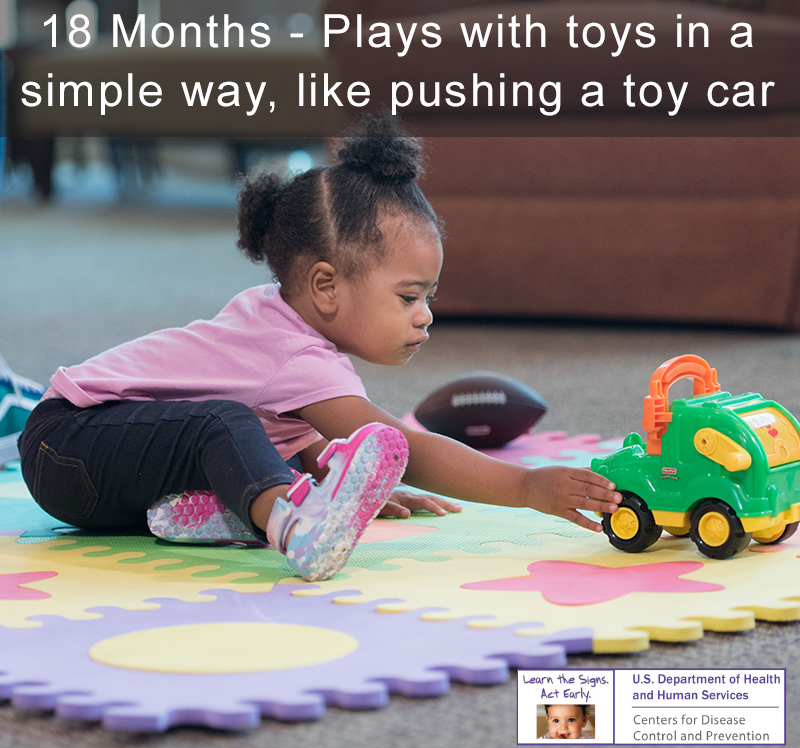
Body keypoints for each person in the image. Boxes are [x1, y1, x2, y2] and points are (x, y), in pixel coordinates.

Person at [19, 112, 621, 583]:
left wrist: (356, 487)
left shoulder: (274, 323)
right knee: (220, 425)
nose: (426, 315)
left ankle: (225, 512)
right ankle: (294, 525)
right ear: (327, 286)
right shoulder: (294, 356)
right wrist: (525, 488)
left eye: (429, 296)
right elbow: (407, 446)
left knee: (233, 430)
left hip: (106, 460)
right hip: (66, 444)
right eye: (409, 296)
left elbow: (290, 428)